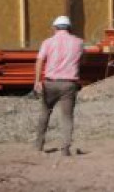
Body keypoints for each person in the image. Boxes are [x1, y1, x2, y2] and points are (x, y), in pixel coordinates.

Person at [33, 15, 84, 155]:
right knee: (67, 116)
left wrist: (37, 81)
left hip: (50, 83)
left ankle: (38, 145)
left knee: (45, 112)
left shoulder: (47, 42)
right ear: (70, 28)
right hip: (69, 84)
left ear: (54, 28)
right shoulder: (79, 42)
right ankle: (65, 148)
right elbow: (82, 60)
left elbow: (39, 61)